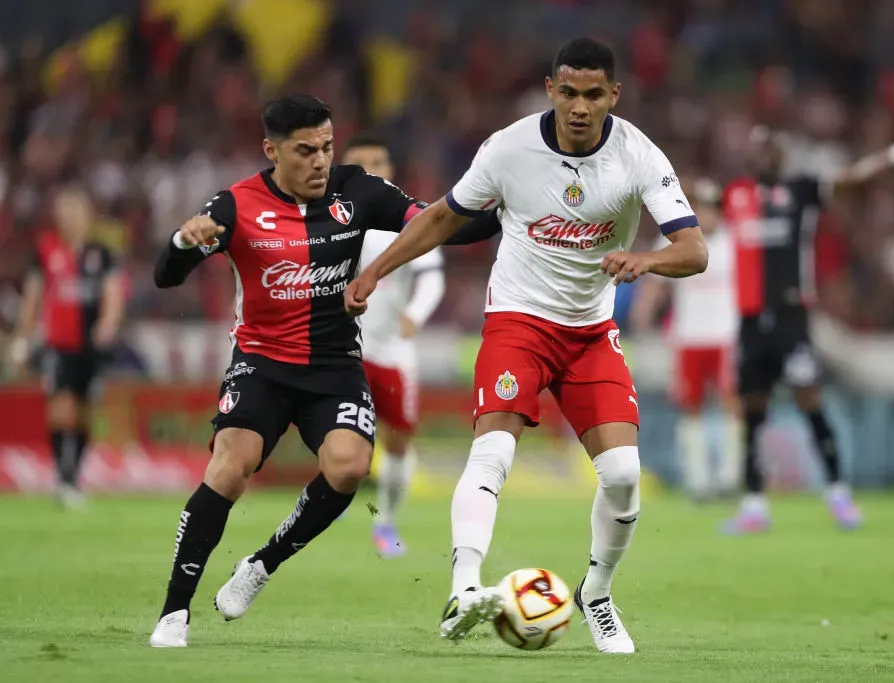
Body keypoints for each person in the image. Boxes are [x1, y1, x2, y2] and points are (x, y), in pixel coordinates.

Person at [346, 38, 708, 654]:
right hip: (518, 321)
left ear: (612, 97)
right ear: (551, 90)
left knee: (623, 474)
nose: (579, 106)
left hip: (591, 333)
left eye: (593, 94)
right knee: (492, 454)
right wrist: (377, 271)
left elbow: (695, 251)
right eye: (568, 92)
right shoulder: (509, 148)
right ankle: (463, 589)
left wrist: (645, 261)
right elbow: (441, 217)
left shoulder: (639, 154)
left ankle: (596, 593)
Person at [148, 94, 500, 648]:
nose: (320, 161)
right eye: (305, 150)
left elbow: (440, 225)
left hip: (334, 366)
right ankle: (174, 613)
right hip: (261, 364)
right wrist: (180, 242)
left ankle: (262, 565)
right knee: (230, 468)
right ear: (272, 151)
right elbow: (167, 277)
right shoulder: (236, 206)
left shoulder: (358, 190)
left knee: (348, 467)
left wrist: (505, 208)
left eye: (327, 148)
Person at [720, 121, 894, 534]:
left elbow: (855, 179)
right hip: (751, 322)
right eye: (757, 150)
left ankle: (839, 493)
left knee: (810, 403)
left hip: (792, 320)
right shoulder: (733, 195)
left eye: (770, 148)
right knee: (752, 413)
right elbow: (678, 197)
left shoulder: (803, 190)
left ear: (781, 154)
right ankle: (754, 505)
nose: (763, 156)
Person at [343, 133, 446, 557]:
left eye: (378, 161)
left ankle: (384, 522)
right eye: (359, 163)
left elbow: (432, 276)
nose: (370, 169)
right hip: (342, 350)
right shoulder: (326, 221)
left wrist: (414, 316)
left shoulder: (407, 221)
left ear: (391, 171)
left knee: (399, 439)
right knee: (337, 437)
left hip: (391, 352)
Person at [8, 186, 124, 508]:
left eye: (75, 211)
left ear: (87, 216)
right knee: (61, 409)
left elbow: (113, 293)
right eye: (64, 211)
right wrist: (22, 336)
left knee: (85, 412)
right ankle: (63, 476)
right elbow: (33, 297)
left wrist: (107, 325)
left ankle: (74, 474)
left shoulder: (101, 253)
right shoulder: (45, 250)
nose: (69, 217)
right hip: (57, 344)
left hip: (92, 346)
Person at [631, 178, 738, 501]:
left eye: (709, 208)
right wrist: (644, 311)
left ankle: (730, 477)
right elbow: (653, 283)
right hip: (688, 336)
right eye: (699, 208)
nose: (704, 215)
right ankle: (699, 480)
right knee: (691, 407)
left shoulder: (734, 244)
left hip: (726, 336)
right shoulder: (677, 242)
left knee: (732, 405)